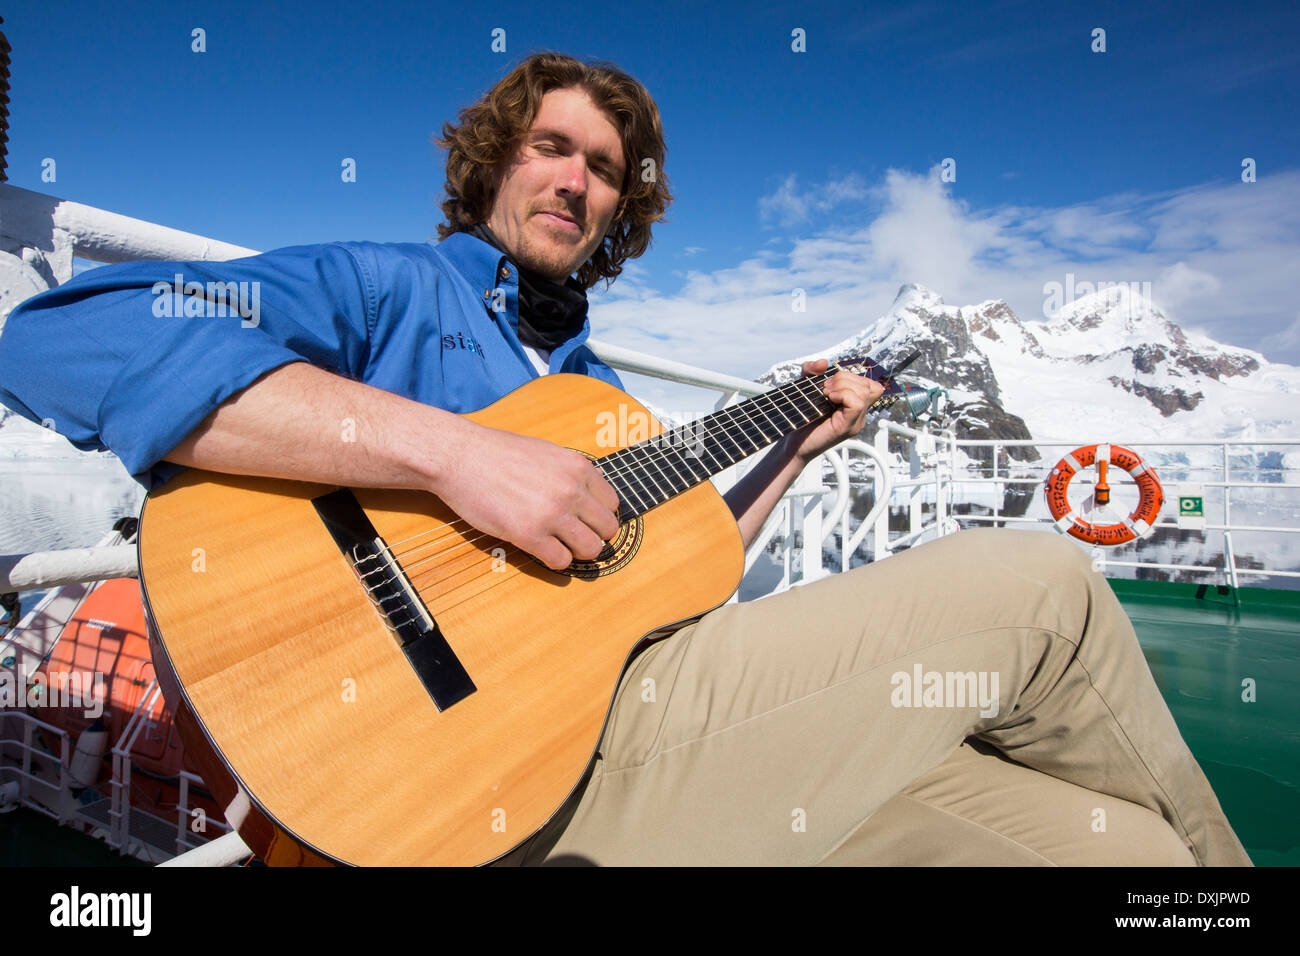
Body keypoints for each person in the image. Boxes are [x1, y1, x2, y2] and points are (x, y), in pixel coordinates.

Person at [0, 51, 1250, 867]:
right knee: (1042, 589)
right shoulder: (381, 288)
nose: (576, 179)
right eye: (552, 146)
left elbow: (675, 581)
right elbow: (74, 337)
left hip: (630, 732)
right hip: (461, 783)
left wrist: (793, 454)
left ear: (621, 211)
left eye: (605, 168)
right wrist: (453, 457)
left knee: (1103, 849)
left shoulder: (597, 401)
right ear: (493, 158)